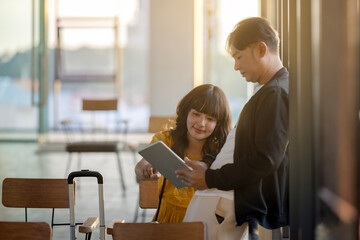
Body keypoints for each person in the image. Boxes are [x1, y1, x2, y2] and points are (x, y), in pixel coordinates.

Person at [176, 17, 289, 240]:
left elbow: (265, 159)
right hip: (224, 192)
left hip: (226, 195)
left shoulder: (275, 94)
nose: (236, 66)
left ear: (260, 49)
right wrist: (209, 166)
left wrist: (210, 178)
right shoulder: (270, 90)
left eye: (239, 57)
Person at [135, 84, 232, 223]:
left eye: (210, 119)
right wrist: (144, 169)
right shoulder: (166, 140)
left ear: (219, 123)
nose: (201, 123)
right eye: (196, 114)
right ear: (186, 112)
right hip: (166, 223)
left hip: (202, 225)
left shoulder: (221, 151)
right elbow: (142, 165)